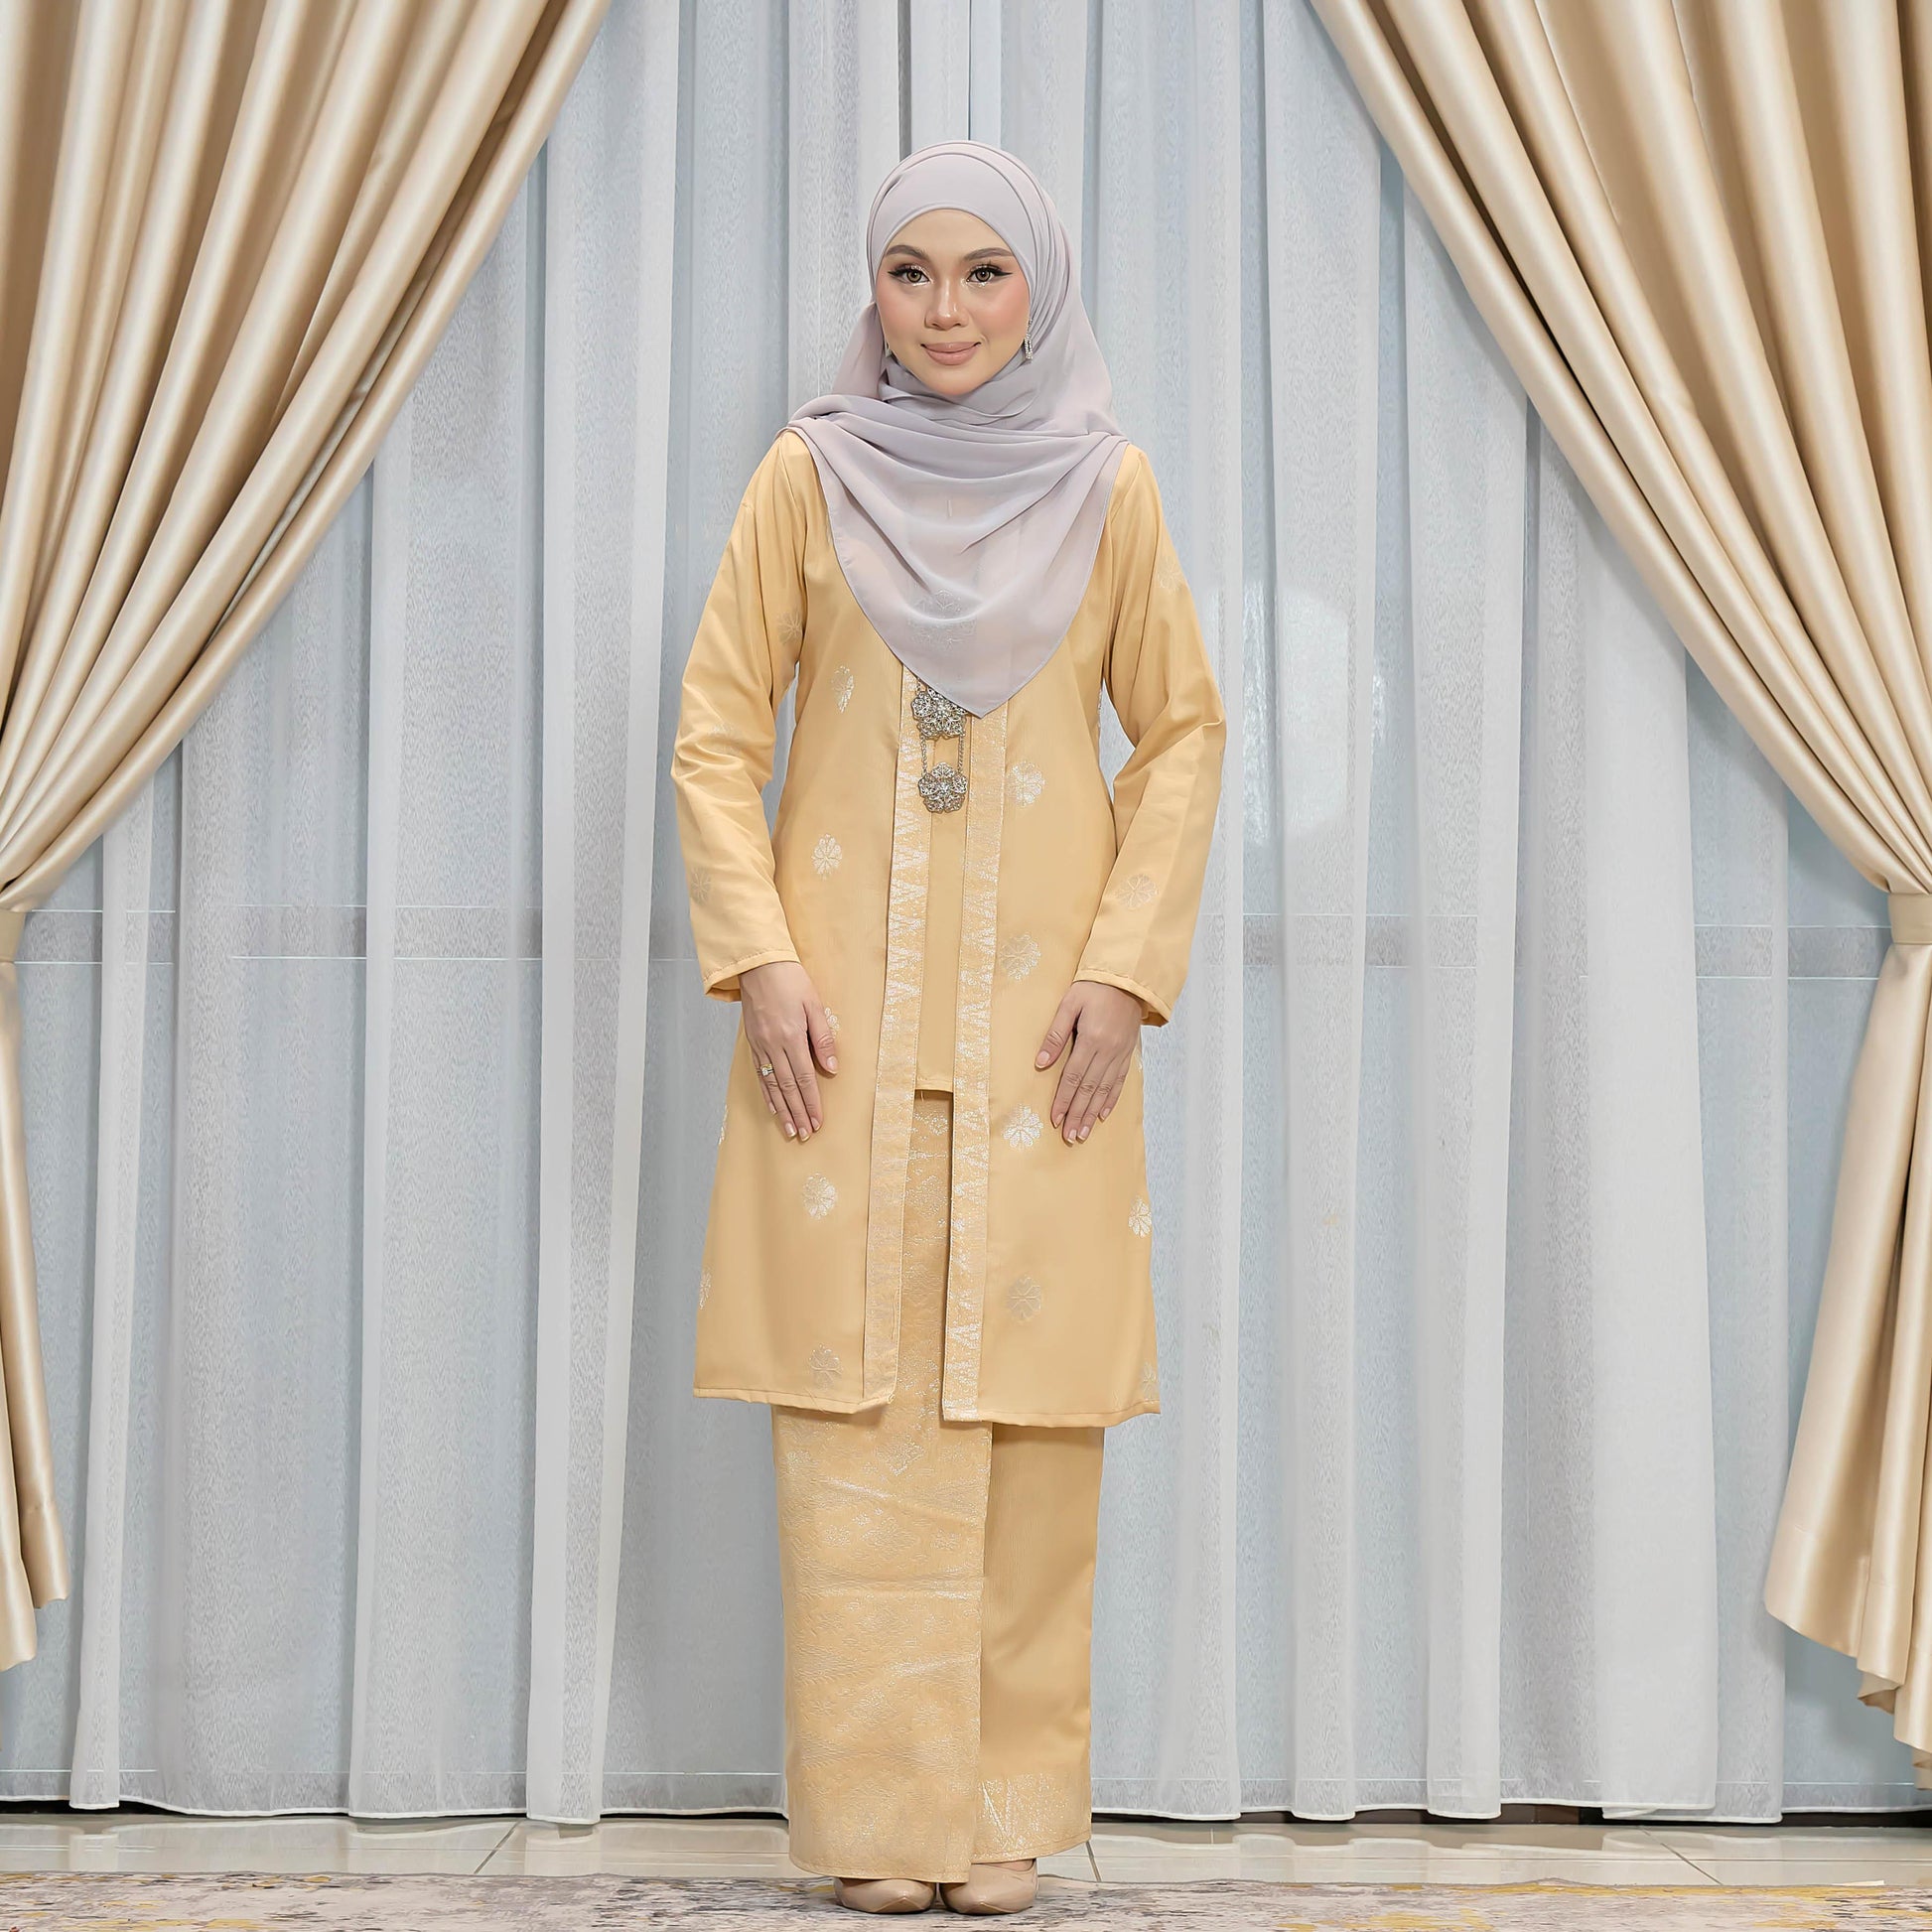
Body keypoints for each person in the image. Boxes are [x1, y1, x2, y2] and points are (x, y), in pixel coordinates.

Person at [671, 139, 1225, 1916]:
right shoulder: (806, 475)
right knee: (853, 1439)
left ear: (1037, 289)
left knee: (1029, 1431)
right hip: (832, 1036)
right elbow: (713, 729)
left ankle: (1000, 1817)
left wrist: (1124, 971)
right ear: (874, 291)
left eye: (984, 273)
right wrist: (759, 958)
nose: (945, 311)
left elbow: (1183, 734)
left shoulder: (1108, 488)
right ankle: (875, 1824)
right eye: (910, 273)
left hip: (1041, 1046)